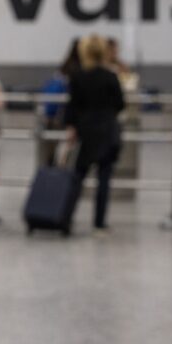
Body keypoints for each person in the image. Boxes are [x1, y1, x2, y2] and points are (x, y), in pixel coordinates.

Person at [64, 35, 125, 234]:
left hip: (86, 131)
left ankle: (66, 217)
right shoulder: (110, 76)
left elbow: (72, 107)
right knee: (104, 178)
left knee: (78, 175)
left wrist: (72, 126)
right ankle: (99, 222)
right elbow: (120, 104)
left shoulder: (78, 76)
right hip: (107, 130)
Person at [41, 38, 81, 166]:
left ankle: (52, 177)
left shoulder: (63, 67)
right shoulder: (79, 71)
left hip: (54, 116)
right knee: (68, 154)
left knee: (53, 152)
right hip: (68, 118)